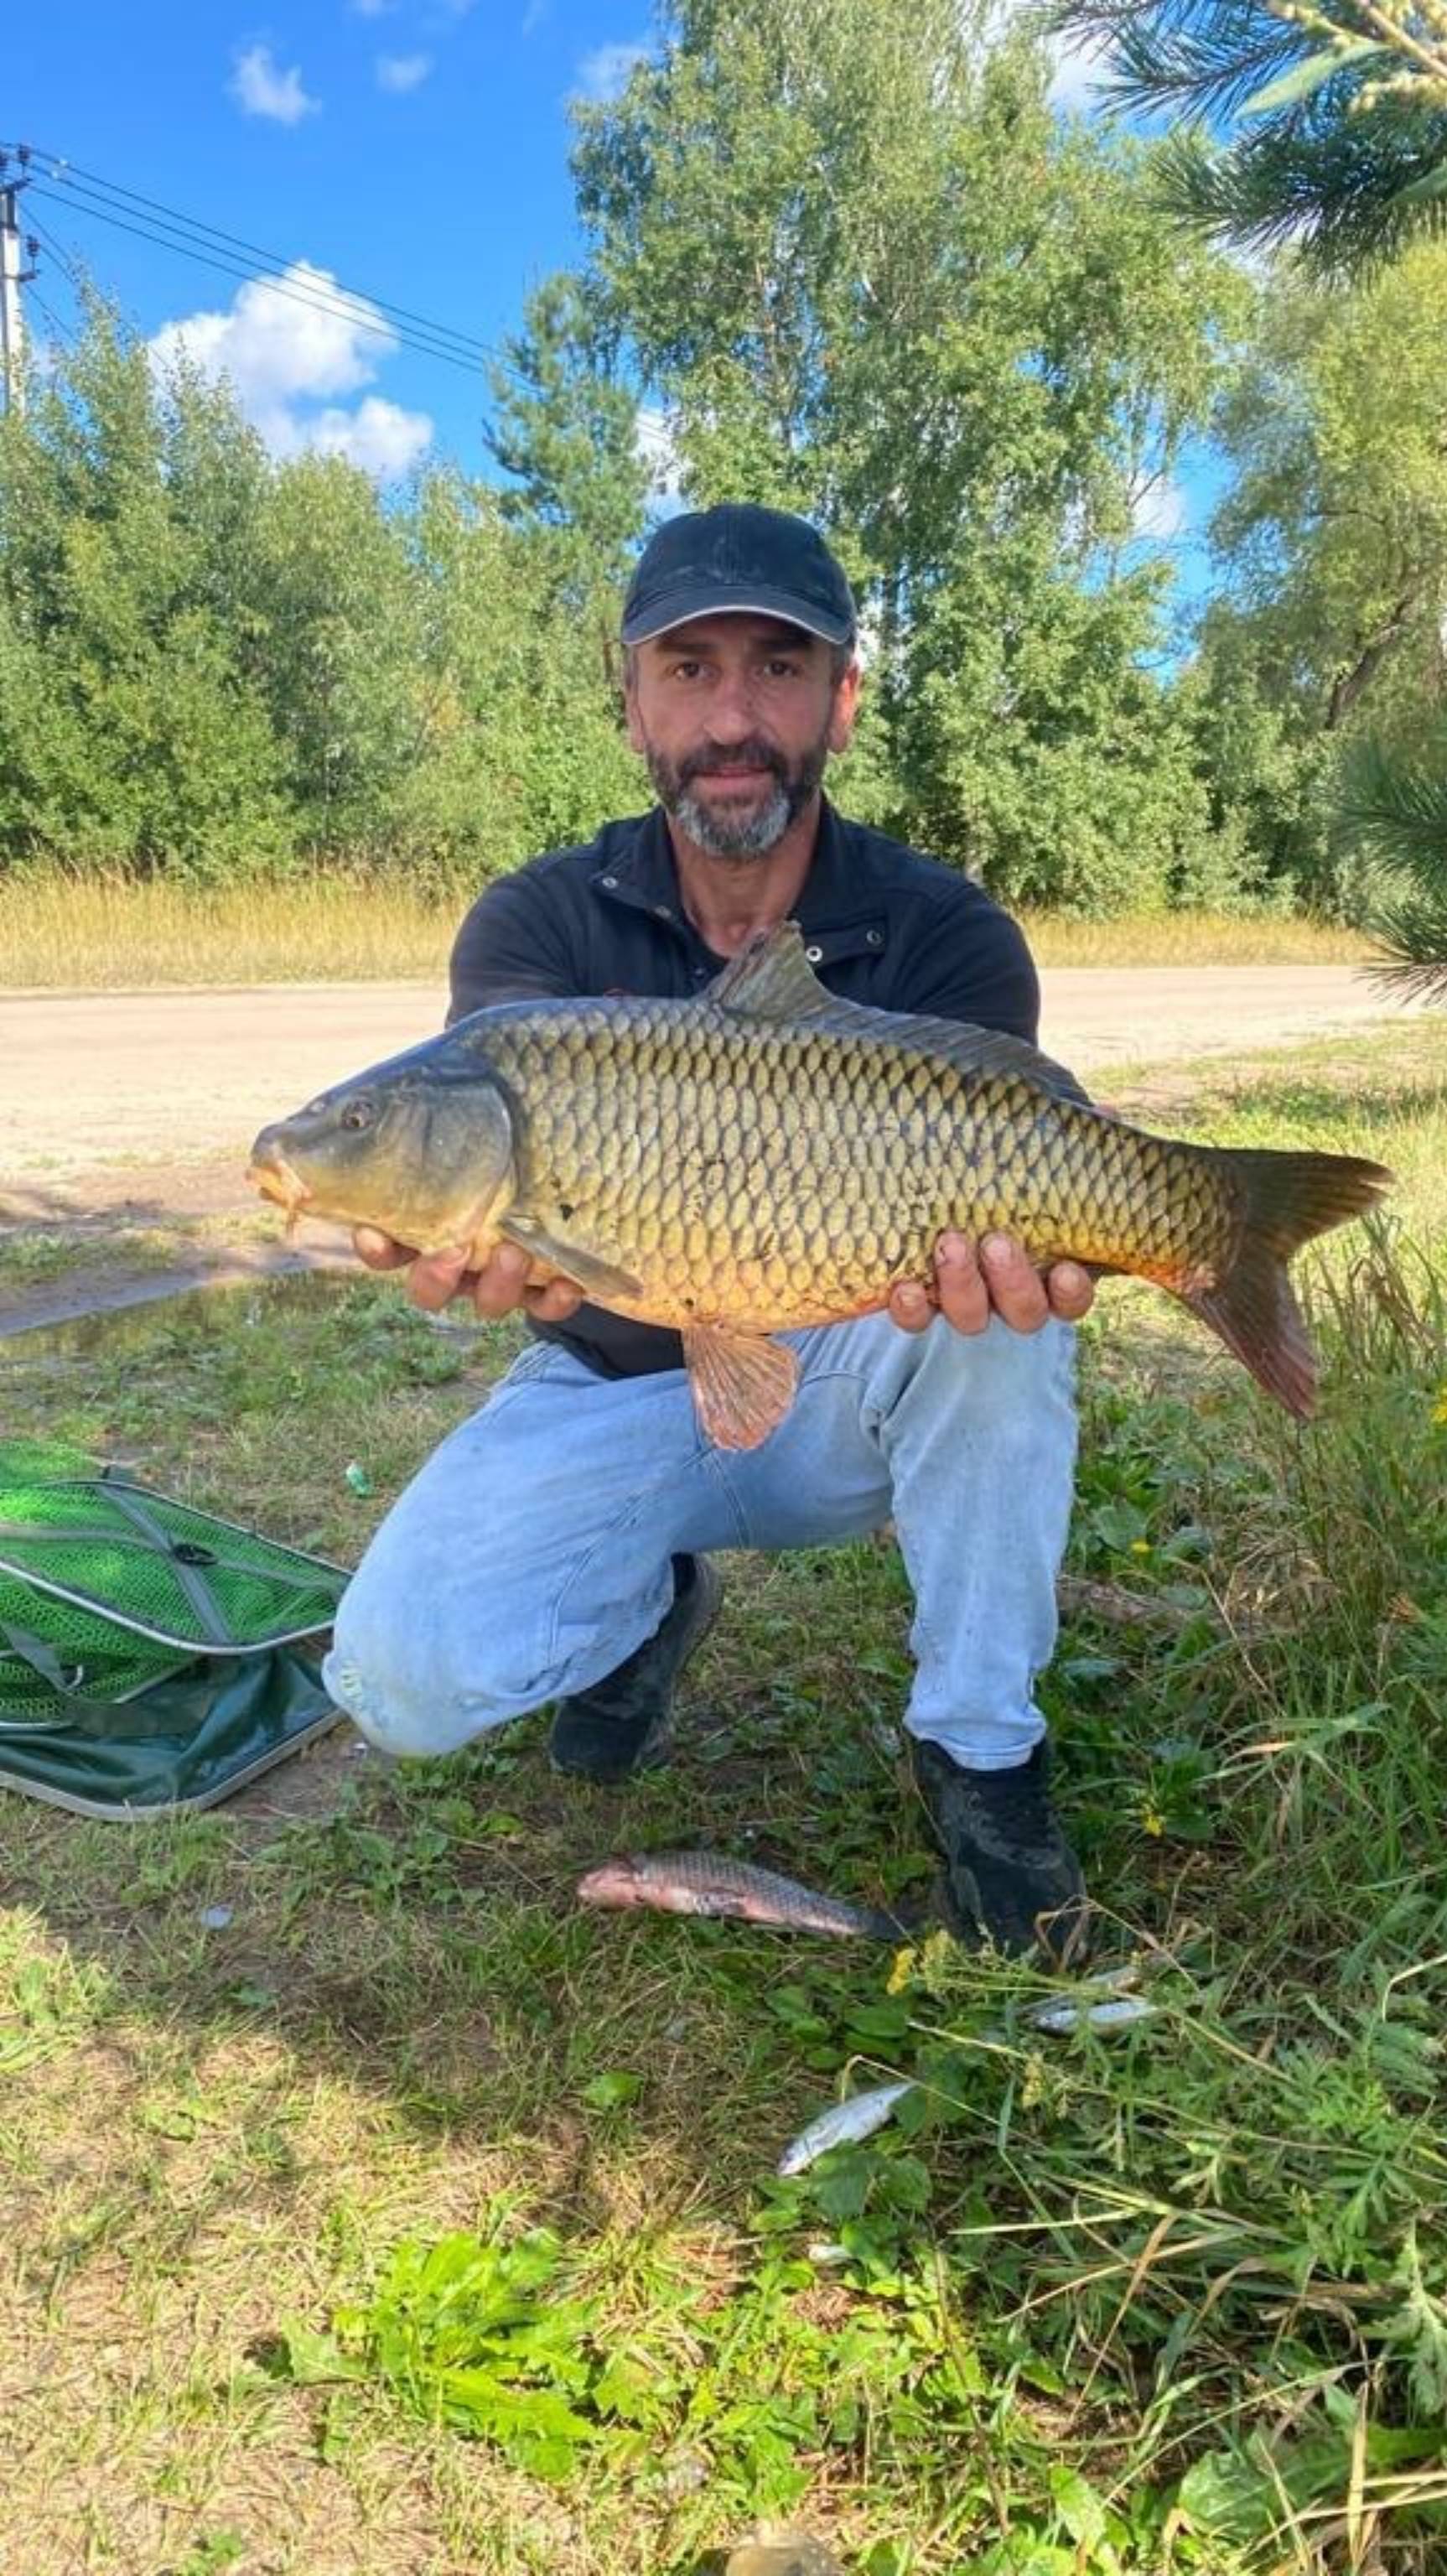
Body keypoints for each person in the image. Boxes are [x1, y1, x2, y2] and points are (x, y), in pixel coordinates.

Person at [324, 502, 1097, 1957]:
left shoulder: (949, 937)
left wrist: (1018, 1272)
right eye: (687, 670)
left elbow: (1008, 1206)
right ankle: (646, 1607)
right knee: (398, 1680)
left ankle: (984, 1759)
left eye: (777, 668)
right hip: (609, 1380)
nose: (731, 716)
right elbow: (492, 1217)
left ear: (841, 700)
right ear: (629, 704)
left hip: (857, 1382)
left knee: (1011, 1332)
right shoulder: (537, 927)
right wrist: (486, 1255)